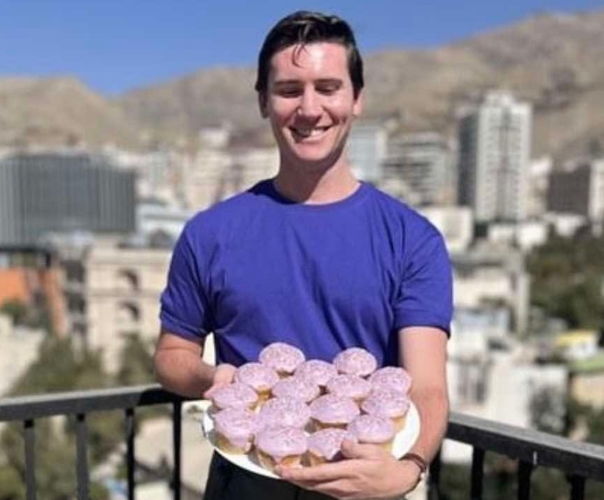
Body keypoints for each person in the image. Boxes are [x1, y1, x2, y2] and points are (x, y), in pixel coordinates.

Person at [154, 10, 453, 500]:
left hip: (367, 489)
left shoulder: (411, 239)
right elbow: (171, 356)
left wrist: (411, 466)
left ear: (356, 99)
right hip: (242, 487)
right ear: (263, 102)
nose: (309, 109)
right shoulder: (210, 234)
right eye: (290, 90)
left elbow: (426, 386)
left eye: (328, 88)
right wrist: (215, 377)